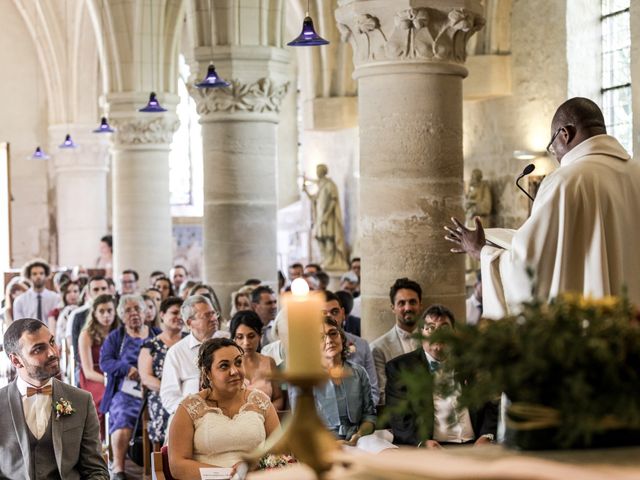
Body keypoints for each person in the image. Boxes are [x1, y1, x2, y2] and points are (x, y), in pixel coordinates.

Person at [446, 97, 640, 319]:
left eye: (552, 146)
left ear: (565, 134)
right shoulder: (637, 173)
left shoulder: (565, 182)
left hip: (590, 332)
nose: (555, 155)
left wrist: (482, 252)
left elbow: (531, 267)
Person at [0, 318, 108, 479]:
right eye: (38, 349)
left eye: (52, 342)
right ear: (16, 360)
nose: (52, 352)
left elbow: (96, 471)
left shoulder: (81, 401)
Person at [385, 305, 498, 447]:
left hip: (476, 445)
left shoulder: (471, 362)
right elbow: (399, 418)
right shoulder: (400, 368)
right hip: (432, 448)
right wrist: (423, 443)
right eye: (430, 328)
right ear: (421, 333)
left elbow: (490, 404)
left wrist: (486, 435)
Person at [168, 338, 280, 478]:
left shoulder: (260, 401)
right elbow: (178, 465)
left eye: (238, 363)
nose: (234, 371)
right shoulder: (189, 408)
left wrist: (251, 467)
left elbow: (279, 452)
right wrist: (228, 475)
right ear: (208, 373)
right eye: (224, 366)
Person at [290, 317, 376, 446]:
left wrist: (358, 435)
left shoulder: (359, 372)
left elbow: (369, 416)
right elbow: (301, 426)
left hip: (359, 440)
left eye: (333, 333)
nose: (329, 340)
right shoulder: (306, 379)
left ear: (341, 337)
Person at [99, 294, 157, 479]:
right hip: (126, 391)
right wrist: (126, 368)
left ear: (145, 312)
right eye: (128, 311)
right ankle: (118, 468)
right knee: (122, 414)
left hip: (154, 390)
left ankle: (163, 466)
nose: (133, 314)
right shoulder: (116, 337)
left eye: (137, 309)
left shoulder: (156, 335)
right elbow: (105, 362)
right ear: (122, 316)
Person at [160, 295, 227, 416]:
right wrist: (190, 413)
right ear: (190, 323)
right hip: (190, 416)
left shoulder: (228, 341)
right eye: (207, 315)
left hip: (226, 411)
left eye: (213, 313)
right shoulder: (176, 352)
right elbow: (169, 396)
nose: (213, 319)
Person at [138, 296, 186, 448]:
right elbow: (146, 378)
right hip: (161, 394)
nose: (179, 317)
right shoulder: (150, 346)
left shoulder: (190, 341)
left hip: (190, 392)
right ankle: (166, 463)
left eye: (182, 313)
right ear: (162, 315)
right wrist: (171, 389)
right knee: (171, 412)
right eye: (174, 313)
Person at [370, 278, 423, 405]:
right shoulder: (378, 348)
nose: (408, 307)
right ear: (393, 308)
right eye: (401, 303)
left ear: (420, 306)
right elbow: (382, 393)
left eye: (412, 302)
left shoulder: (432, 341)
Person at [323, 291, 379, 405]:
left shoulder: (361, 345)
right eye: (323, 313)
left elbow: (373, 390)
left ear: (343, 313)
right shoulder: (309, 349)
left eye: (335, 312)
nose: (330, 317)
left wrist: (361, 413)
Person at [78, 294, 119, 440]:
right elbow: (88, 371)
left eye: (109, 310)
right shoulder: (86, 335)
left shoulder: (120, 333)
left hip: (115, 374)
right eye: (101, 311)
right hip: (94, 376)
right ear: (94, 314)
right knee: (104, 397)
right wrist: (108, 381)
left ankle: (118, 438)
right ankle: (101, 441)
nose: (106, 315)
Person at [230, 311, 284, 409]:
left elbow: (278, 398)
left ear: (260, 336)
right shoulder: (229, 366)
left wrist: (268, 414)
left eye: (251, 336)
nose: (246, 342)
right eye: (240, 337)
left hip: (266, 420)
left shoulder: (269, 362)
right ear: (234, 339)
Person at [303, 164, 349, 271]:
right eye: (317, 170)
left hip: (328, 218)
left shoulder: (330, 185)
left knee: (329, 238)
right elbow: (314, 199)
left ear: (323, 171)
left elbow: (334, 200)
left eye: (319, 170)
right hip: (320, 218)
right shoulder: (320, 186)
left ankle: (331, 259)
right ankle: (325, 258)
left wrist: (327, 215)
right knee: (319, 238)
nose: (317, 173)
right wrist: (305, 191)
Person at [12, 259, 60, 324]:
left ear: (46, 275)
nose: (38, 276)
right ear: (29, 276)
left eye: (41, 273)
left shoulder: (55, 298)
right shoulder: (20, 301)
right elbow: (19, 326)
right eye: (34, 274)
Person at [47, 280, 80, 345]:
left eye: (75, 291)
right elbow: (52, 337)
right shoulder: (55, 312)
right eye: (68, 292)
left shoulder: (83, 310)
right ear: (63, 294)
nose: (72, 294)